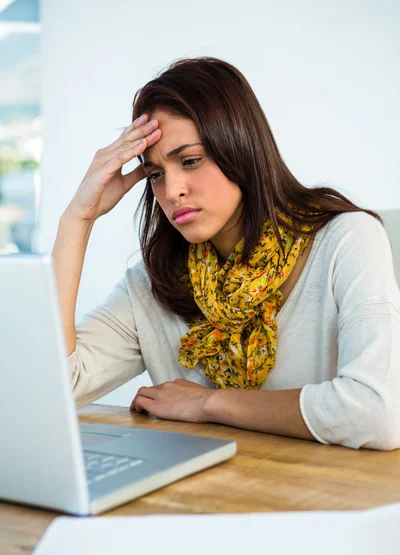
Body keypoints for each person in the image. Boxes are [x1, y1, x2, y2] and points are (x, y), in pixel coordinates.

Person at [52, 56, 400, 451]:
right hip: (204, 502)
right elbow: (56, 390)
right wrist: (76, 221)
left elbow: (377, 412)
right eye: (155, 174)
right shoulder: (152, 285)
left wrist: (209, 403)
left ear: (239, 146)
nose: (172, 191)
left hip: (326, 498)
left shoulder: (346, 242)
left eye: (190, 161)